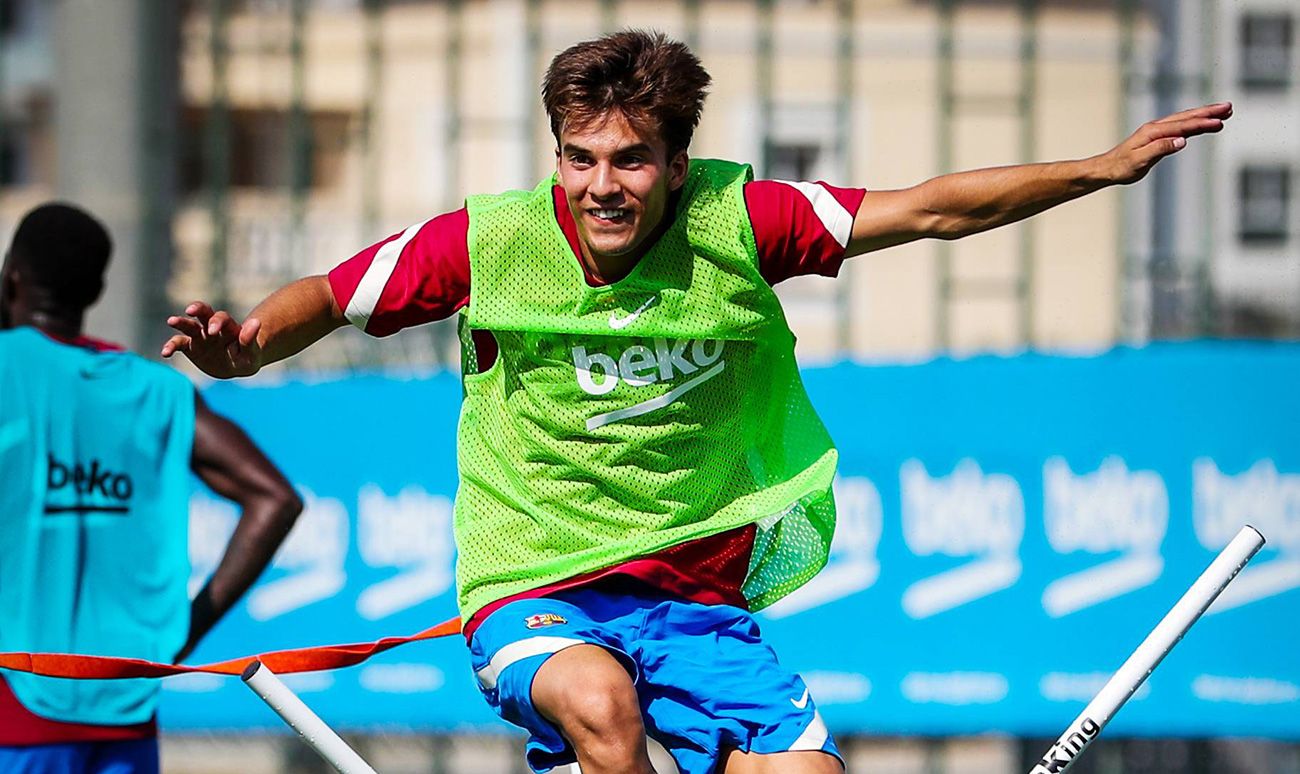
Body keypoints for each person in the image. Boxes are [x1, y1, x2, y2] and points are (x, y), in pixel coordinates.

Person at [162, 30, 1229, 774]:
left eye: (630, 160)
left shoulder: (741, 220)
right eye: (579, 159)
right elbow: (333, 296)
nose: (600, 187)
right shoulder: (490, 243)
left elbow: (932, 212)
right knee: (600, 707)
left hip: (695, 594)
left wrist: (1097, 171)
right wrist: (247, 346)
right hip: (532, 583)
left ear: (677, 162)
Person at [0, 202, 303, 774]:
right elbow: (275, 498)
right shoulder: (154, 391)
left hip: (13, 711)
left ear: (12, 275)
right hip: (126, 704)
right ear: (93, 290)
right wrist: (181, 633)